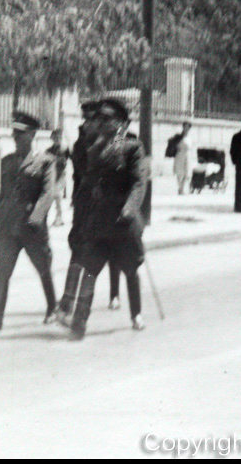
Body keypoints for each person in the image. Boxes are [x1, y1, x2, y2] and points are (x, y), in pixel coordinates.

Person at [63, 98, 149, 341]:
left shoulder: (131, 146)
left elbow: (138, 183)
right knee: (90, 269)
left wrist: (130, 209)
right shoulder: (95, 147)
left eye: (107, 119)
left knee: (131, 270)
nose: (101, 122)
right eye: (99, 118)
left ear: (121, 123)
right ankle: (79, 322)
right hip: (99, 221)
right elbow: (88, 179)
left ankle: (136, 314)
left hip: (123, 222)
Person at [0, 113, 57, 331]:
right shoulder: (7, 161)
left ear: (32, 134)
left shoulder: (45, 162)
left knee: (43, 267)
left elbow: (48, 193)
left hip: (32, 227)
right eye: (14, 133)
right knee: (3, 270)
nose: (16, 137)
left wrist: (36, 217)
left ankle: (52, 307)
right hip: (8, 226)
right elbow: (3, 195)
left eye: (21, 134)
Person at [57, 101, 101, 317]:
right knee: (82, 254)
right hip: (86, 205)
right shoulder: (84, 144)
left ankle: (70, 301)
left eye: (94, 119)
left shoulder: (97, 140)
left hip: (94, 205)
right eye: (89, 119)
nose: (91, 123)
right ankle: (69, 302)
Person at [46, 128, 71, 227]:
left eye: (59, 137)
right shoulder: (48, 150)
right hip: (51, 176)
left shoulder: (65, 150)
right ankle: (56, 218)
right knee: (52, 197)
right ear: (52, 138)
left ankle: (59, 218)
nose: (57, 139)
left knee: (57, 196)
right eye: (55, 137)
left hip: (60, 176)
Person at [173, 121, 193, 195]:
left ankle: (182, 188)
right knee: (179, 172)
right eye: (185, 127)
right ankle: (180, 188)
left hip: (187, 155)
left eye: (188, 127)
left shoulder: (190, 138)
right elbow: (173, 145)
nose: (186, 128)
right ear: (183, 127)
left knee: (186, 173)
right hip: (180, 155)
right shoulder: (178, 136)